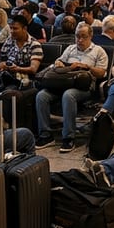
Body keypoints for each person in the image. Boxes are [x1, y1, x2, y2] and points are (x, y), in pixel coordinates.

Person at [36, 23, 109, 153]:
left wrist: (87, 67)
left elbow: (102, 73)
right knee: (42, 96)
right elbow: (59, 64)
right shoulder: (70, 49)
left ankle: (68, 137)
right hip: (63, 82)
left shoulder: (98, 51)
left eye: (83, 37)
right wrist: (59, 63)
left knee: (69, 95)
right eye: (77, 36)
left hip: (84, 88)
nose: (80, 40)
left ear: (90, 36)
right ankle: (45, 135)